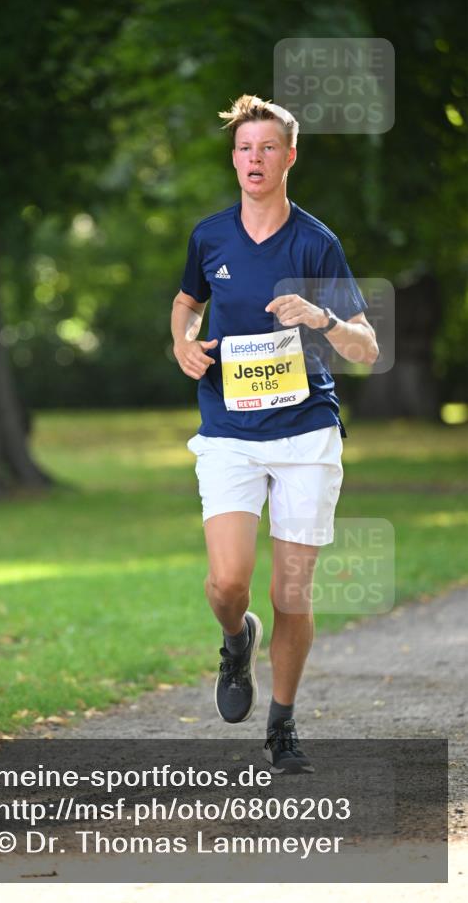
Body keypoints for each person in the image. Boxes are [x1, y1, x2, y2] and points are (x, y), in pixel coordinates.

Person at [171, 94, 379, 774]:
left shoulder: (316, 242)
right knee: (227, 583)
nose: (252, 159)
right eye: (242, 149)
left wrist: (318, 318)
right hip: (227, 428)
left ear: (289, 156)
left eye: (266, 148)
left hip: (304, 434)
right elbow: (186, 302)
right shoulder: (210, 236)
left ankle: (282, 725)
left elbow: (367, 349)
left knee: (292, 591)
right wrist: (182, 343)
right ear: (233, 159)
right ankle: (236, 642)